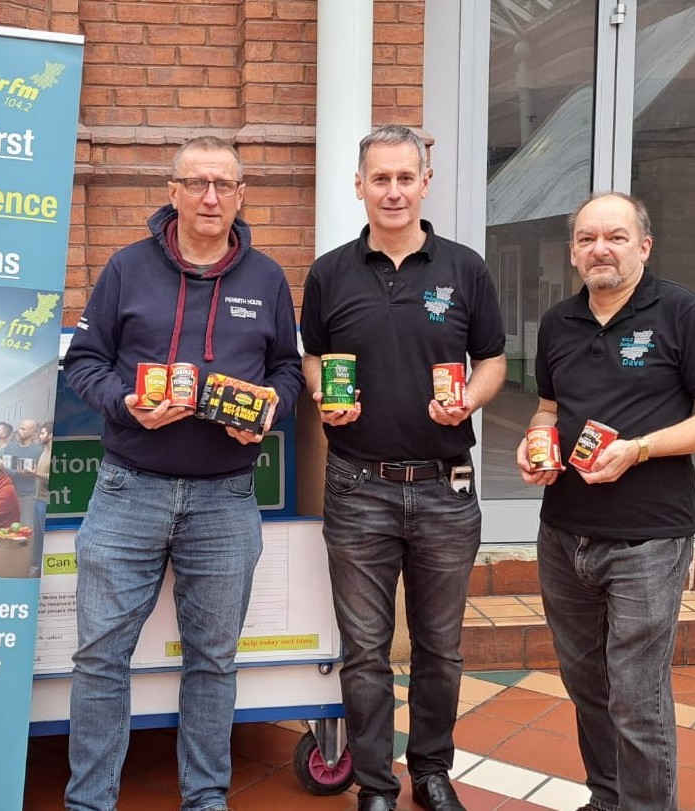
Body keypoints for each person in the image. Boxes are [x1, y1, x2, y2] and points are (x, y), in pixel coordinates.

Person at [62, 135, 303, 811]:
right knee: (99, 657)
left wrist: (268, 410)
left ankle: (205, 799)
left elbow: (287, 369)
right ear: (172, 191)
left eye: (223, 185)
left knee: (213, 660)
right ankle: (89, 802)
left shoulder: (266, 278)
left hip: (226, 496)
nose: (209, 197)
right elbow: (84, 361)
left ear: (241, 195)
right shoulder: (125, 268)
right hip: (127, 489)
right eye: (196, 183)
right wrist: (126, 405)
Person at [515, 192, 695, 811]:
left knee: (637, 697)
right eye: (587, 239)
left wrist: (639, 449)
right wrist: (535, 441)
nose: (601, 250)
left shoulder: (681, 312)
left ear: (643, 246)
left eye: (615, 237)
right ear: (572, 252)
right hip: (563, 534)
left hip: (648, 538)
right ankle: (607, 798)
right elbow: (549, 408)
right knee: (587, 685)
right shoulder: (559, 322)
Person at [299, 125, 506, 811]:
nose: (393, 191)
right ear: (359, 185)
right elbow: (312, 356)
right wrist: (323, 397)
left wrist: (469, 399)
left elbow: (492, 361)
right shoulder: (329, 272)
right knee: (364, 649)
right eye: (380, 178)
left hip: (446, 485)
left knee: (440, 647)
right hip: (358, 484)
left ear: (425, 183)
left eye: (404, 178)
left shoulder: (465, 268)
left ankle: (432, 771)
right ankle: (375, 783)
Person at [0, 417, 42, 530]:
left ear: (32, 432)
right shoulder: (10, 447)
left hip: (27, 497)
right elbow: (4, 467)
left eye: (23, 429)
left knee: (25, 528)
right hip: (8, 495)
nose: (19, 431)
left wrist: (33, 473)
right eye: (19, 428)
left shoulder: (38, 451)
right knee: (7, 528)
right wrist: (16, 472)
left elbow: (41, 472)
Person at [30, 421, 53, 577]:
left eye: (42, 433)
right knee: (38, 536)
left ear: (50, 435)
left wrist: (35, 474)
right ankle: (37, 566)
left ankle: (41, 570)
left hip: (46, 500)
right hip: (38, 498)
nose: (39, 436)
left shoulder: (53, 453)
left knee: (45, 537)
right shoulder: (44, 450)